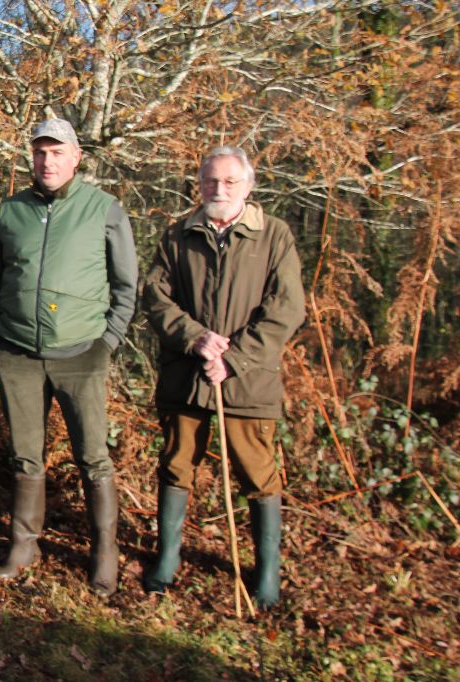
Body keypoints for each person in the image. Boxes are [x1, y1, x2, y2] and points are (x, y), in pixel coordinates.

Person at [141, 146, 305, 608]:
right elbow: (154, 297)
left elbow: (287, 308)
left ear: (248, 186)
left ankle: (266, 572)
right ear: (199, 184)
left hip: (248, 382)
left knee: (258, 471)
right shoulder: (177, 236)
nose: (220, 189)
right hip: (185, 377)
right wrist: (194, 338)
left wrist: (236, 358)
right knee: (176, 464)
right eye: (211, 181)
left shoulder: (274, 236)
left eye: (230, 182)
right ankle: (167, 560)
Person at [0, 119, 138, 597]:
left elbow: (127, 285)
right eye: (40, 152)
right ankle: (23, 547)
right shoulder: (12, 210)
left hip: (82, 353)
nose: (47, 162)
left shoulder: (103, 209)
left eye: (57, 152)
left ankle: (104, 554)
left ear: (76, 157)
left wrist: (106, 342)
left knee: (93, 457)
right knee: (26, 455)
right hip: (19, 355)